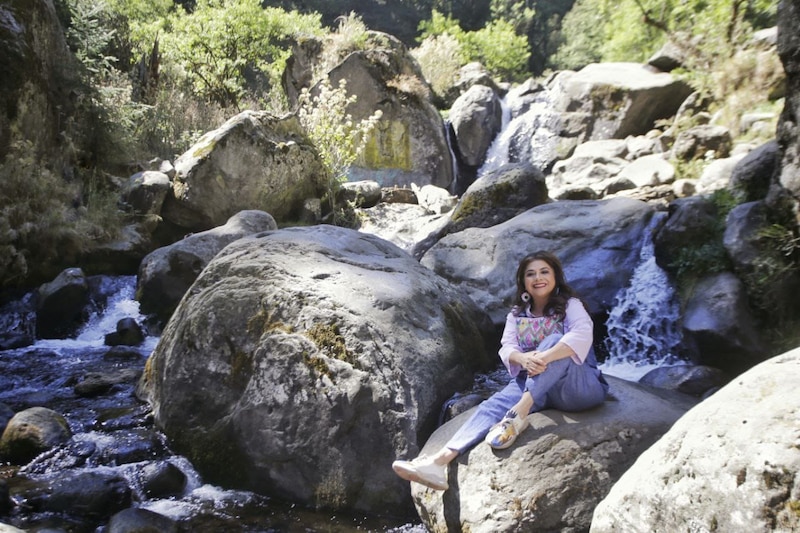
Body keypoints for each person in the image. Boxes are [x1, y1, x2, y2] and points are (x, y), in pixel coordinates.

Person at [392, 251, 609, 491]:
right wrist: (523, 358)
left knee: (555, 341)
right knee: (491, 406)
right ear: (523, 281)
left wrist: (543, 356)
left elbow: (581, 335)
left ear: (556, 276)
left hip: (578, 389)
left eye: (544, 272)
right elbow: (507, 348)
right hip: (540, 386)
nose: (538, 278)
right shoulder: (517, 314)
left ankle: (518, 412)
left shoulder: (571, 305)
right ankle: (439, 462)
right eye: (531, 274)